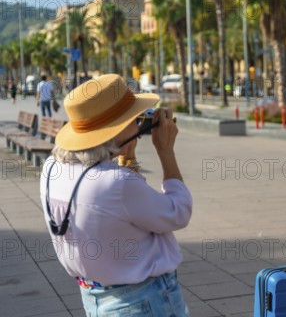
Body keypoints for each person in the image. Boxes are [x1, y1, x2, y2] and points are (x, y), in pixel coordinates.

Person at [40, 74, 192, 316]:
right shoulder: (118, 184)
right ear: (117, 129)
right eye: (133, 119)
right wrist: (166, 152)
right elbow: (179, 212)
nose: (138, 125)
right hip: (144, 301)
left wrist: (126, 159)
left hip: (95, 298)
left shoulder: (51, 169)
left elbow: (117, 213)